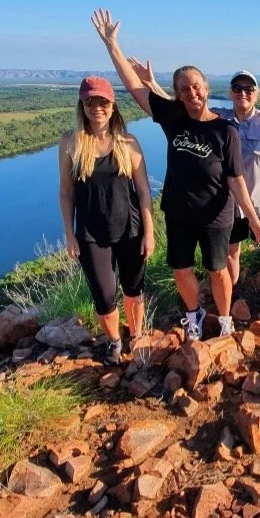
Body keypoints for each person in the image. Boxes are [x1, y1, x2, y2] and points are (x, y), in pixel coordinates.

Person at [91, 9, 260, 342]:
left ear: (206, 87)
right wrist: (111, 44)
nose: (192, 93)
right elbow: (133, 87)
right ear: (177, 93)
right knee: (181, 268)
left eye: (197, 87)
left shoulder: (224, 130)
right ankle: (194, 315)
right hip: (179, 213)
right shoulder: (173, 116)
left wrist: (255, 219)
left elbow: (236, 179)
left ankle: (226, 319)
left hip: (216, 216)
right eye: (184, 89)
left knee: (218, 270)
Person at [135, 58, 260, 332]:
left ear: (256, 93)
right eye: (237, 88)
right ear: (230, 92)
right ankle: (228, 308)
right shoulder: (219, 117)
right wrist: (152, 84)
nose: (242, 92)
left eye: (248, 88)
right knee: (231, 255)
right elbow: (184, 106)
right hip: (229, 205)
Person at [58, 75, 155, 364]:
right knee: (104, 295)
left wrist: (149, 233)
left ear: (112, 106)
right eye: (90, 102)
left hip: (130, 229)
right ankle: (114, 341)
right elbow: (66, 193)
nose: (96, 108)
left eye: (102, 102)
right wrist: (69, 233)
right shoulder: (71, 143)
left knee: (133, 288)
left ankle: (135, 336)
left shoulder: (128, 142)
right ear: (82, 106)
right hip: (90, 233)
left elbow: (144, 191)